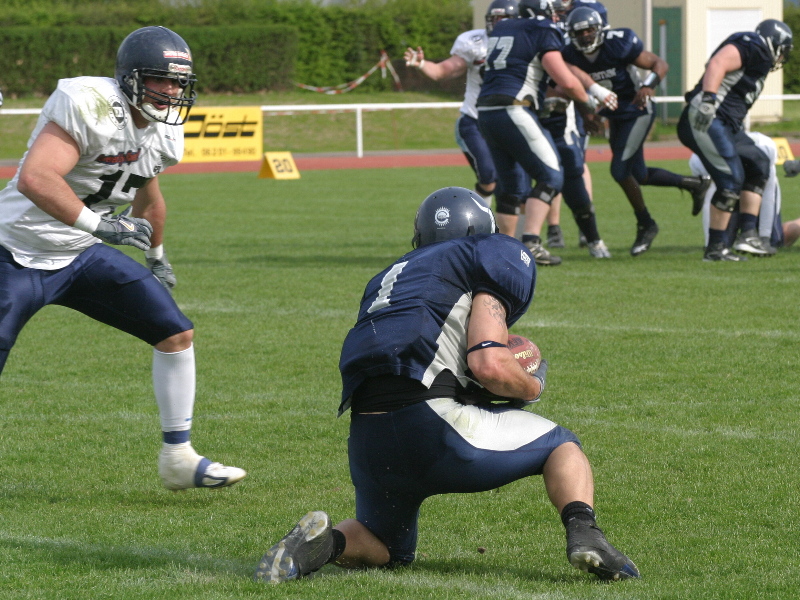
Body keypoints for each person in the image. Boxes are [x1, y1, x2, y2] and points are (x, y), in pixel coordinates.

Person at [253, 187, 639, 583]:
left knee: (386, 547)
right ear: (483, 230)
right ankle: (586, 534)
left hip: (369, 437)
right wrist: (530, 387)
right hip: (433, 426)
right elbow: (488, 363)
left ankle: (322, 545)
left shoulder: (388, 278)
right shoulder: (490, 252)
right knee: (561, 445)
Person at [0, 26, 246, 490]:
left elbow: (148, 197)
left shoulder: (163, 132)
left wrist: (157, 255)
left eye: (178, 82)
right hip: (13, 251)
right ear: (131, 77)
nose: (170, 91)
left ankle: (178, 458)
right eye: (160, 79)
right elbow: (36, 177)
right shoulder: (92, 105)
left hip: (78, 255)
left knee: (175, 332)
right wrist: (99, 226)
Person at [563, 7, 711, 257]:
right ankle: (695, 184)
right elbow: (572, 86)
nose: (585, 36)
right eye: (580, 32)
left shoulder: (618, 44)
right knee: (639, 174)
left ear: (599, 29)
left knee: (620, 171)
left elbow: (659, 64)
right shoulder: (569, 55)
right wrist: (586, 113)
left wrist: (648, 85)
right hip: (616, 116)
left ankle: (646, 223)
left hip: (637, 110)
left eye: (589, 30)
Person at [476, 0, 603, 266]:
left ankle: (501, 251)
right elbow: (566, 80)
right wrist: (589, 105)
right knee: (552, 176)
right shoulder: (542, 28)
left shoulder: (504, 28)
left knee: (510, 188)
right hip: (514, 108)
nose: (556, 16)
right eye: (553, 11)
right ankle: (531, 243)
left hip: (487, 112)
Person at [678, 19, 793, 261]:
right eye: (782, 50)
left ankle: (748, 235)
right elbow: (718, 62)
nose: (782, 57)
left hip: (727, 125)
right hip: (708, 118)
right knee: (730, 180)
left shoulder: (759, 59)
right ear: (774, 43)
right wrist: (708, 99)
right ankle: (715, 249)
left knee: (758, 163)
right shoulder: (754, 44)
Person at [404, 0, 522, 208]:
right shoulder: (475, 42)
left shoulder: (525, 42)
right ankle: (479, 220)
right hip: (476, 120)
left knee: (516, 185)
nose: (499, 24)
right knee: (489, 176)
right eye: (495, 19)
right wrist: (421, 64)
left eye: (504, 19)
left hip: (511, 121)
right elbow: (442, 71)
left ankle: (521, 230)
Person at [689, 132, 783, 255]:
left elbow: (768, 194)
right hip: (720, 166)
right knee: (726, 240)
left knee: (775, 240)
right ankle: (722, 242)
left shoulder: (764, 148)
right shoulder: (702, 159)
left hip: (739, 160)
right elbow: (710, 198)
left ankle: (746, 236)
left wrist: (765, 236)